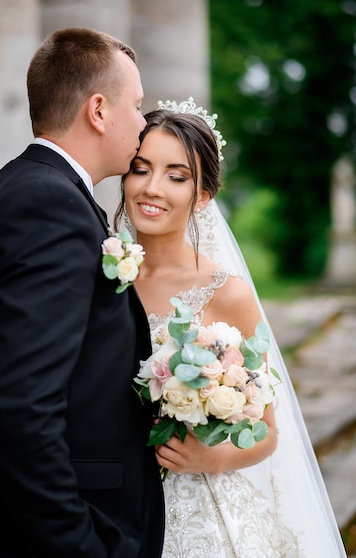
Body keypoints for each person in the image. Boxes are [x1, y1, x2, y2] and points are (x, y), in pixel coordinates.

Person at [0, 28, 165, 557]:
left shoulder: (25, 188)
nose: (143, 122)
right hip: (39, 534)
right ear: (98, 110)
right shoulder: (49, 207)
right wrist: (78, 545)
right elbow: (22, 404)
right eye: (135, 106)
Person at [115, 97, 347, 557]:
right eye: (140, 168)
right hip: (113, 501)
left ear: (202, 196)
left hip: (198, 511)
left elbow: (267, 431)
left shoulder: (226, 293)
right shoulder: (104, 275)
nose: (152, 188)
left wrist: (212, 456)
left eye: (176, 176)